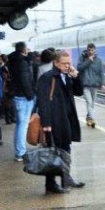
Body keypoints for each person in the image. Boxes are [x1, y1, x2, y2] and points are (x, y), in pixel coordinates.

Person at [35, 50, 85, 194]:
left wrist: (76, 77)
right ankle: (50, 184)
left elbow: (78, 92)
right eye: (64, 63)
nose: (67, 66)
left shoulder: (66, 76)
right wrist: (46, 123)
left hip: (67, 118)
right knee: (52, 152)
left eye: (69, 63)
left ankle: (66, 177)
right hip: (54, 120)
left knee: (65, 148)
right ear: (55, 63)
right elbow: (43, 101)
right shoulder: (47, 77)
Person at [7, 41, 37, 162]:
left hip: (17, 95)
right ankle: (21, 152)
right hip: (23, 97)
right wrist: (30, 95)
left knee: (20, 124)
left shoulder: (13, 60)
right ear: (24, 50)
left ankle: (19, 150)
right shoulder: (22, 63)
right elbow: (25, 80)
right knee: (23, 125)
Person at [78, 43, 105, 128]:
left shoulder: (98, 60)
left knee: (92, 103)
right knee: (89, 102)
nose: (90, 52)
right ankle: (92, 119)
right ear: (87, 49)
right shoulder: (82, 58)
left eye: (92, 50)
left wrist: (103, 84)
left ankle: (88, 117)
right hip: (85, 85)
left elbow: (101, 73)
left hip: (94, 85)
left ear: (94, 50)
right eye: (89, 50)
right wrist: (88, 61)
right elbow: (79, 68)